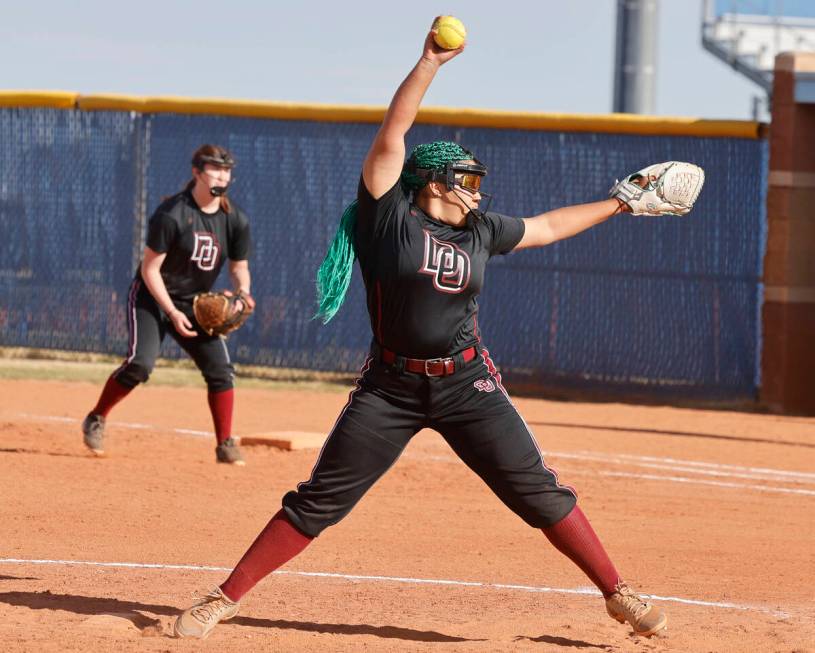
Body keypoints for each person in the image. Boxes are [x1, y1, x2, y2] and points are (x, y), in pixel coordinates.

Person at [173, 23, 669, 638]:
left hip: (467, 385)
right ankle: (223, 598)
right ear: (434, 183)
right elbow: (393, 136)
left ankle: (617, 592)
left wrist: (620, 202)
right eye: (470, 181)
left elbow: (545, 226)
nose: (478, 192)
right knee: (320, 499)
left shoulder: (481, 232)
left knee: (538, 492)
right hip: (390, 389)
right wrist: (429, 63)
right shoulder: (389, 222)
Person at [81, 144, 255, 466]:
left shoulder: (235, 220)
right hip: (151, 297)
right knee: (140, 365)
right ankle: (96, 416)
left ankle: (225, 444)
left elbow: (238, 266)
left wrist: (243, 291)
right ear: (197, 173)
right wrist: (171, 312)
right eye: (215, 168)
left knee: (220, 371)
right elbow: (150, 269)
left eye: (227, 169)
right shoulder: (172, 214)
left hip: (196, 304)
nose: (222, 175)